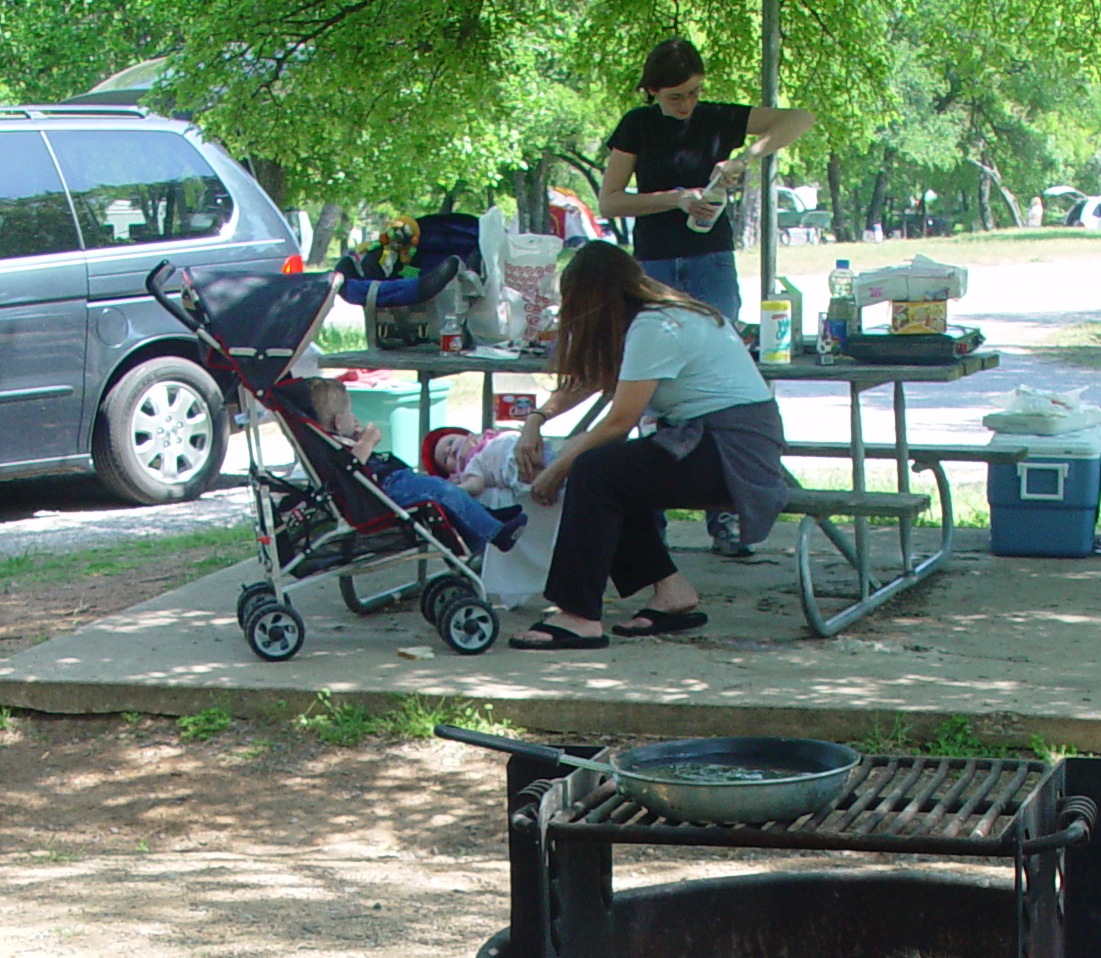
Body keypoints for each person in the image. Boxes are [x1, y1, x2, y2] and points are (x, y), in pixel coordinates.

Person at [504, 241, 789, 651]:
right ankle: (672, 592)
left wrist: (558, 467)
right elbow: (587, 379)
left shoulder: (656, 327)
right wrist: (536, 419)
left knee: (596, 471)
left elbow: (619, 423)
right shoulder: (652, 318)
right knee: (616, 474)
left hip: (732, 450)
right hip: (714, 439)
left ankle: (578, 614)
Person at [600, 36, 812, 555]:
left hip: (710, 262)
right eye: (675, 96)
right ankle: (650, 519)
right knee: (652, 393)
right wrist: (675, 199)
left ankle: (729, 513)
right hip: (653, 263)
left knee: (718, 385)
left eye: (693, 93)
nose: (686, 105)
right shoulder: (638, 124)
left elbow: (799, 117)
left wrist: (746, 157)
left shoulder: (717, 118)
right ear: (652, 91)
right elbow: (609, 200)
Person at [303, 378, 528, 552]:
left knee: (440, 490)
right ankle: (496, 532)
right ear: (337, 422)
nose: (354, 418)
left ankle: (486, 519)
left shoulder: (328, 443)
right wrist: (368, 440)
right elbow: (351, 467)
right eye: (349, 413)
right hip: (384, 490)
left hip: (388, 483)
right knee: (441, 490)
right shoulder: (338, 447)